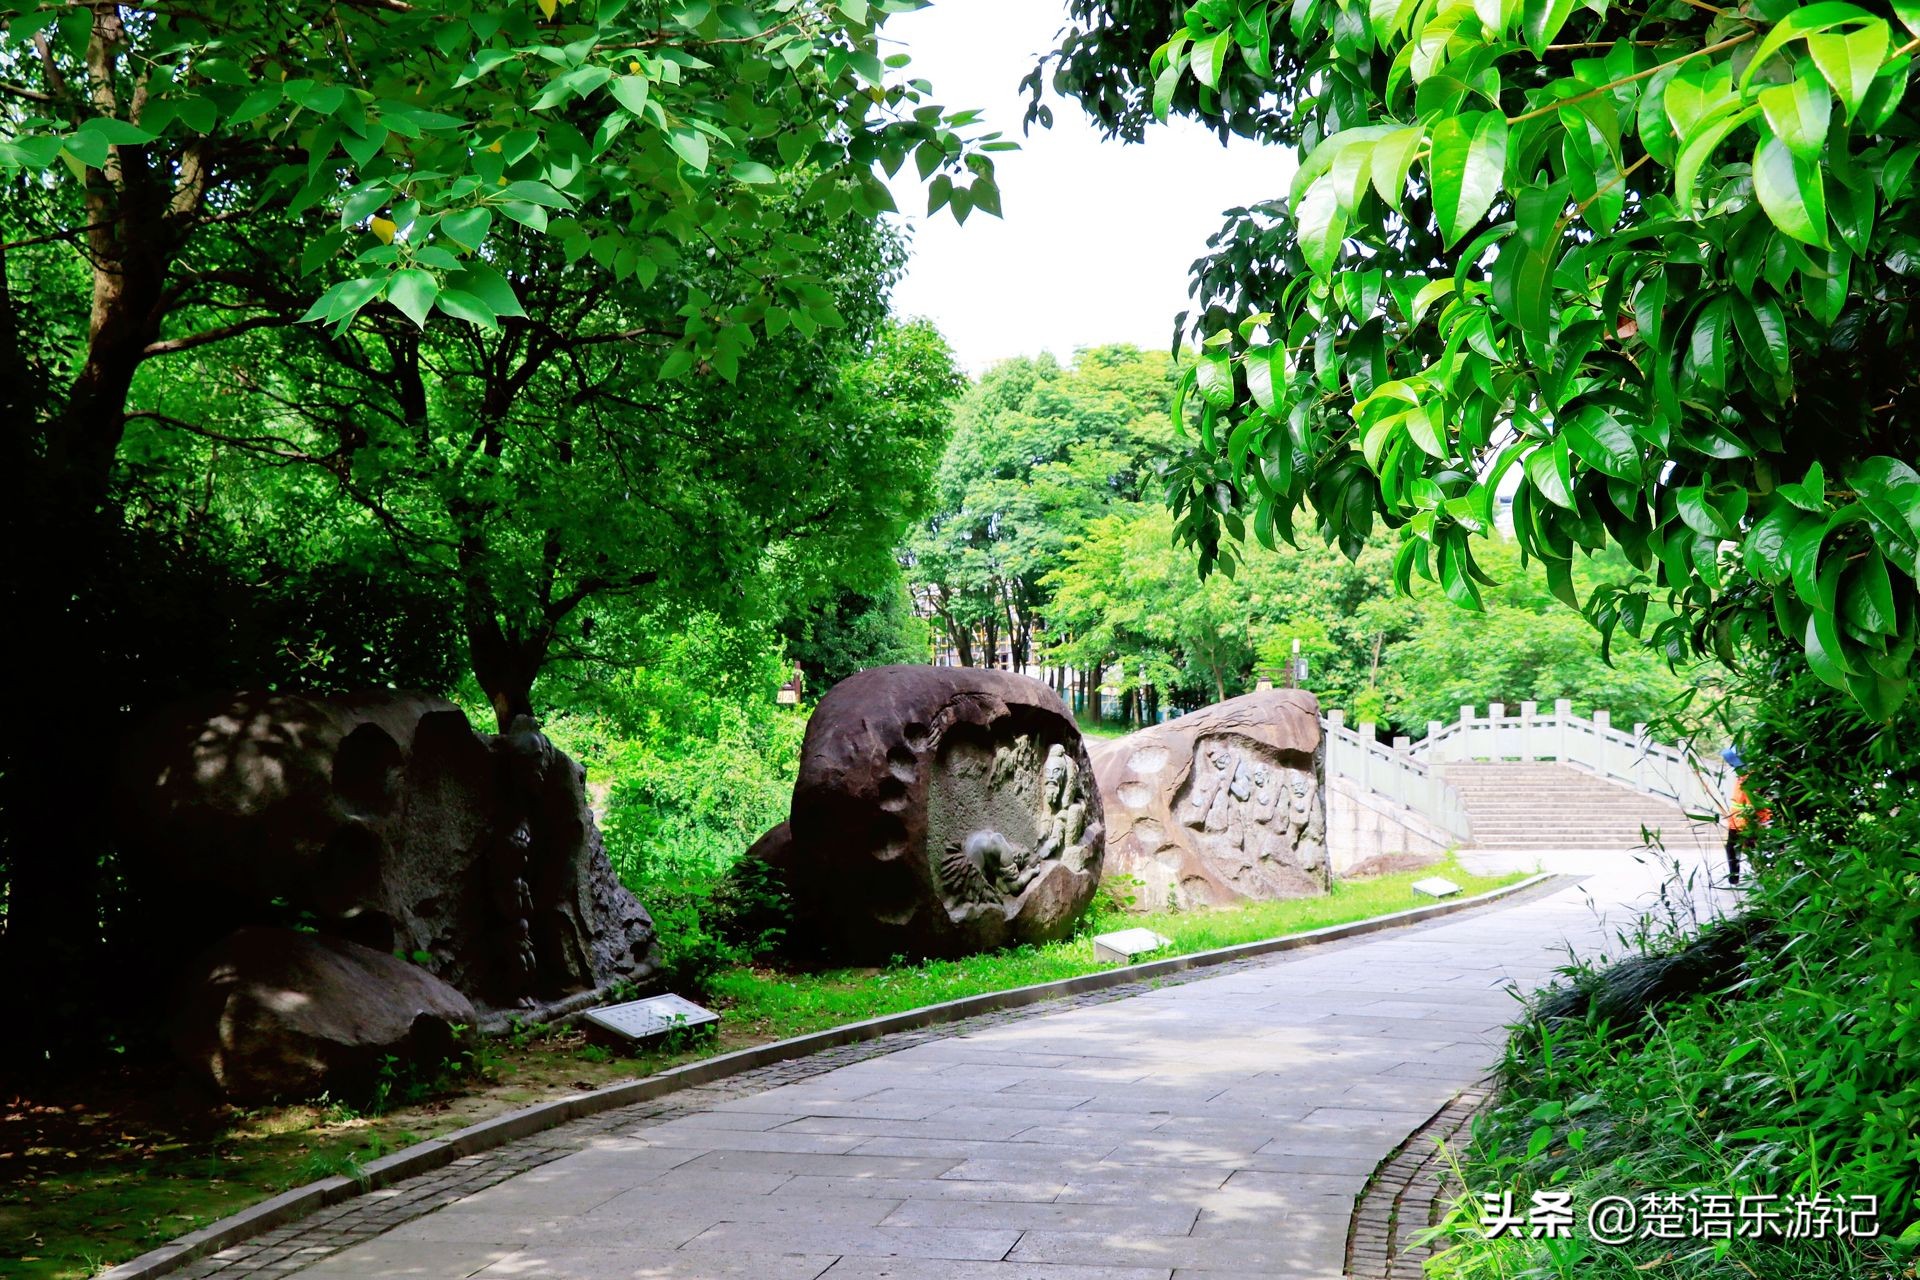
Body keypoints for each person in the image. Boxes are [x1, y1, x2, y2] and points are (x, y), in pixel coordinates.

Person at [1721, 747, 1770, 885]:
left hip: (1748, 821)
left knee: (1749, 848)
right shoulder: (1743, 776)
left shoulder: (1750, 778)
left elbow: (1752, 803)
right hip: (1738, 820)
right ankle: (1737, 876)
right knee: (1734, 848)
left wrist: (1752, 821)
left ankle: (1761, 876)